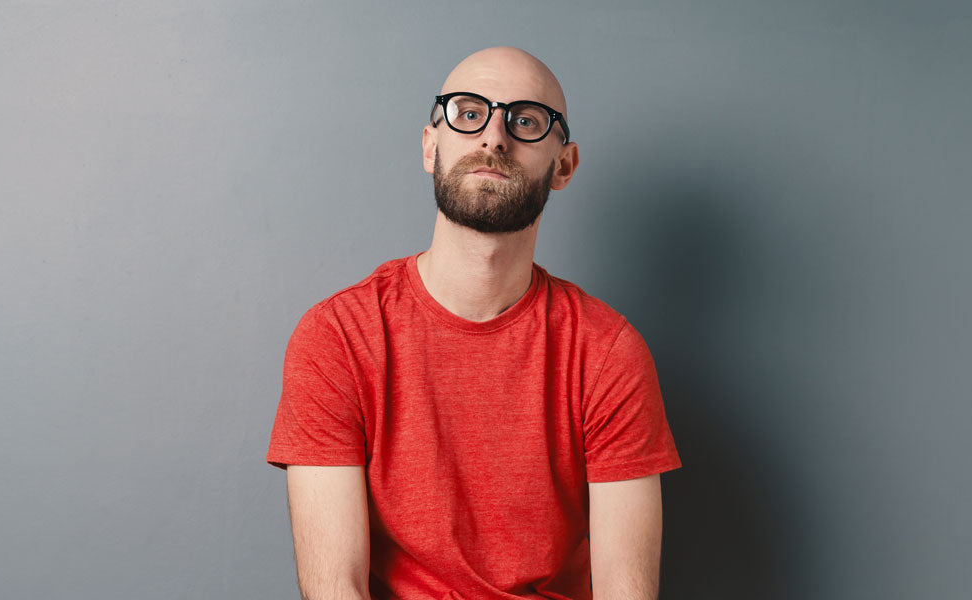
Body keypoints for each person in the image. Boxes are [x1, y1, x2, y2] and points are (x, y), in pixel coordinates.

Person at [266, 46, 682, 600]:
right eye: (468, 114)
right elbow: (335, 588)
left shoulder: (608, 352)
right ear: (430, 144)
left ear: (564, 165)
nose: (493, 138)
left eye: (526, 121)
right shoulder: (338, 338)